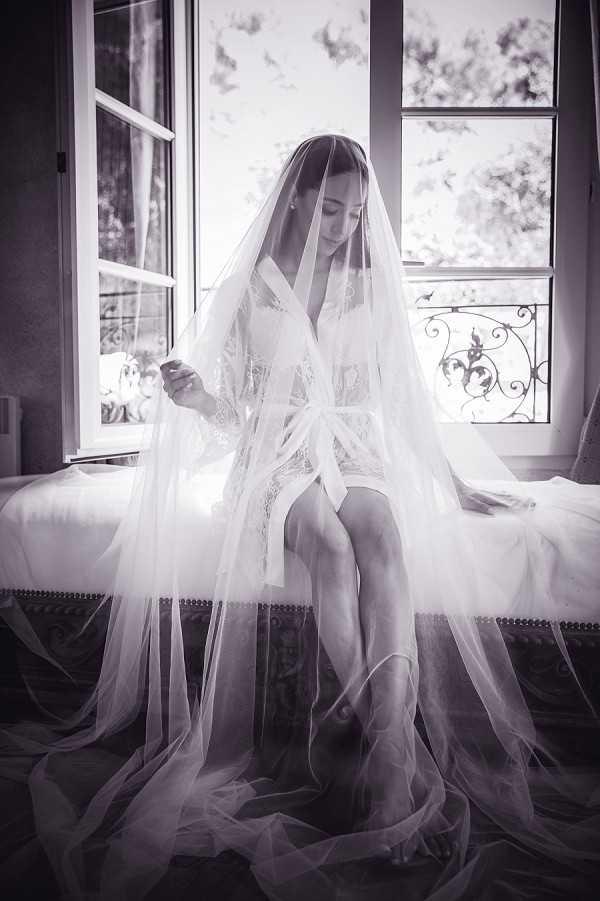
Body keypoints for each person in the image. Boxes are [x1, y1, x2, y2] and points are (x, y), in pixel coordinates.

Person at [1, 134, 599, 901]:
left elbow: (401, 407)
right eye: (331, 210)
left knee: (382, 537)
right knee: (327, 544)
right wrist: (195, 396)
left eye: (355, 211)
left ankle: (385, 741)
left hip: (353, 444)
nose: (346, 225)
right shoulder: (252, 286)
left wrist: (455, 484)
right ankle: (391, 743)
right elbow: (235, 411)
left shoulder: (371, 289)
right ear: (297, 202)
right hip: (275, 452)